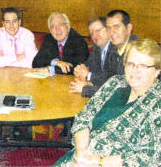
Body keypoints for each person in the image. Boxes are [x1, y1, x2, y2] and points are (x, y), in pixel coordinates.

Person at [53, 38, 161, 166]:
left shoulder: (157, 104)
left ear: (157, 71)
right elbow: (83, 117)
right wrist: (81, 153)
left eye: (143, 66)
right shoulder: (115, 83)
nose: (134, 70)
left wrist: (99, 162)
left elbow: (150, 158)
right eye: (130, 63)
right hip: (82, 157)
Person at [69, 17, 118, 97]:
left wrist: (88, 76)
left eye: (98, 30)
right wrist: (80, 69)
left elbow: (112, 79)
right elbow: (89, 65)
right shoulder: (97, 46)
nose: (95, 35)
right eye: (91, 33)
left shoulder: (116, 48)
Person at [106, 9, 138, 75]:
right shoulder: (112, 47)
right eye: (108, 28)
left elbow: (126, 84)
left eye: (116, 27)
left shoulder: (137, 52)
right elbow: (108, 76)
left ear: (129, 28)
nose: (111, 32)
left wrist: (87, 85)